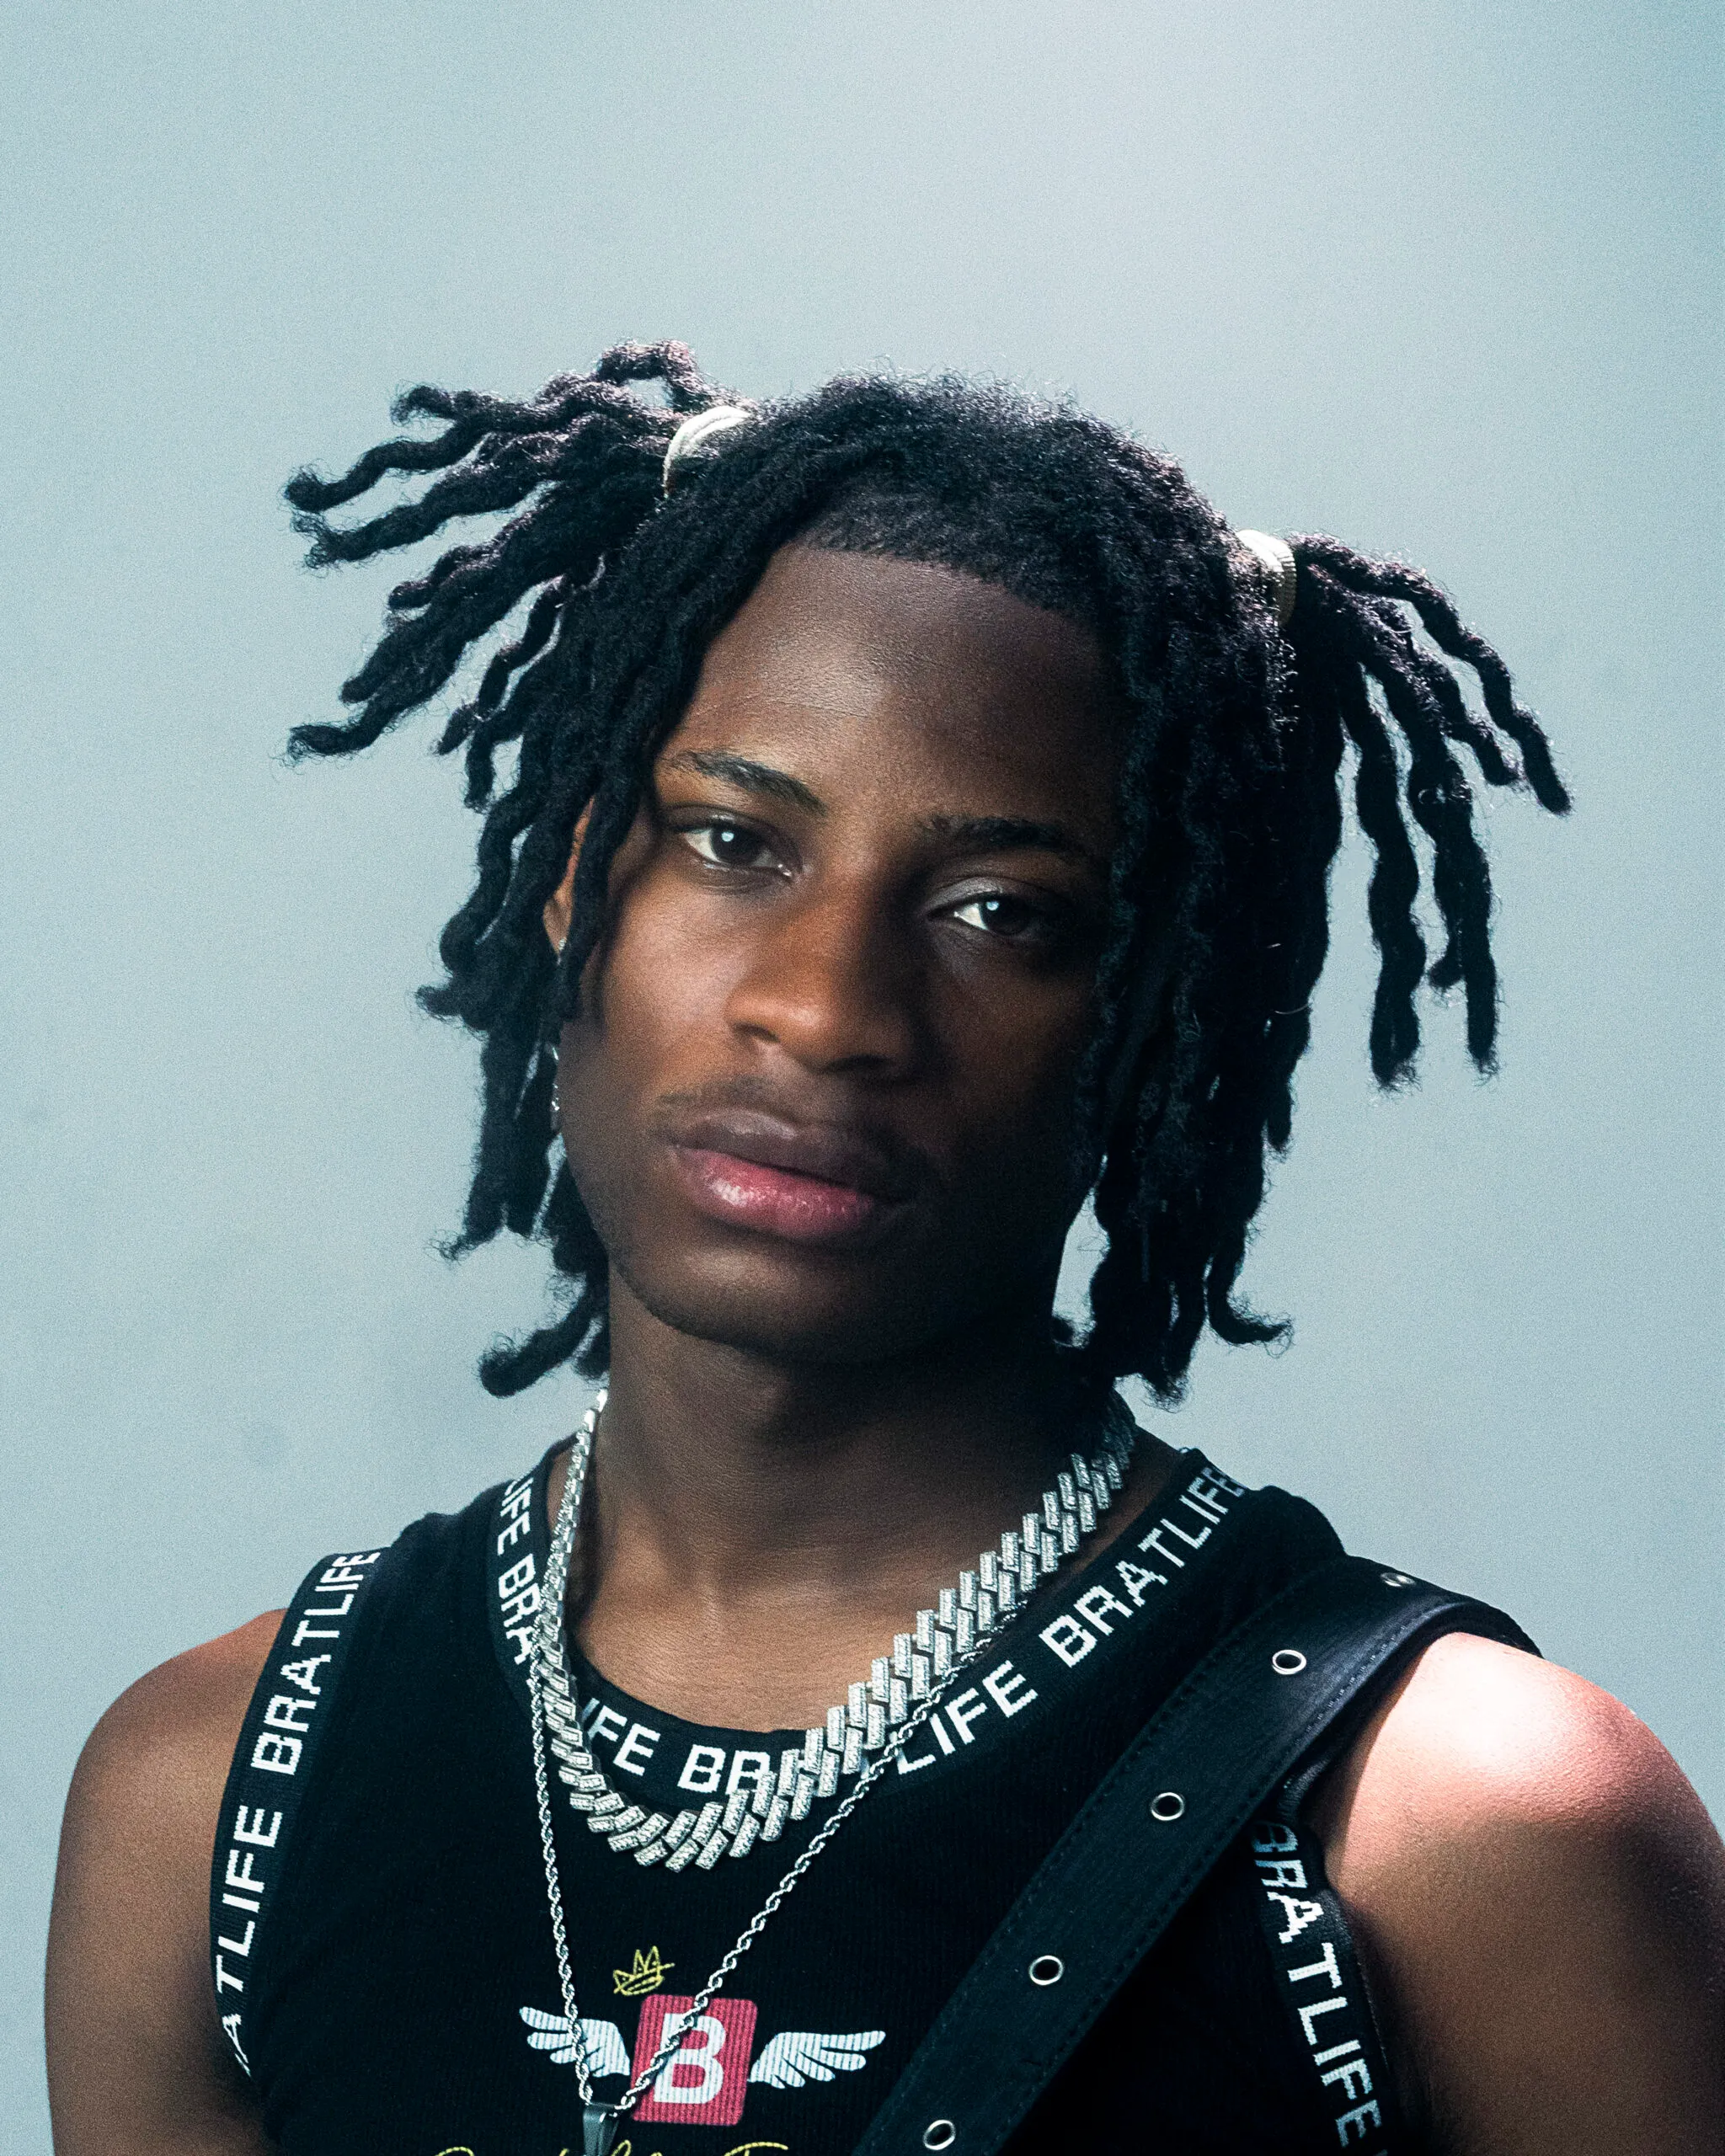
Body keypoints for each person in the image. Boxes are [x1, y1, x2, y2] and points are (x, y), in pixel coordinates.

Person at [45, 344, 1723, 2156]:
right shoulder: (218, 1797)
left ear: (1149, 1012)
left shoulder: (1463, 1824)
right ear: (573, 871)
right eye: (734, 839)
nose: (828, 1005)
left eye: (1004, 909)